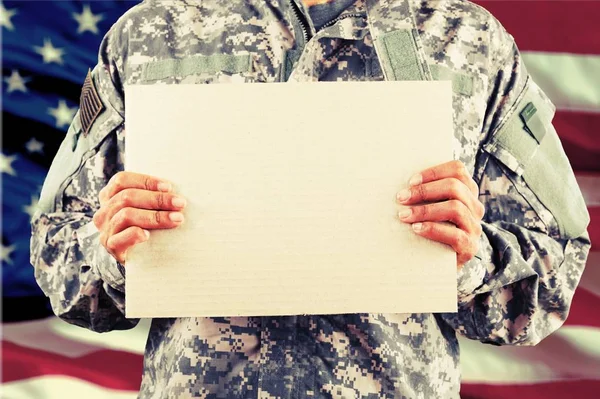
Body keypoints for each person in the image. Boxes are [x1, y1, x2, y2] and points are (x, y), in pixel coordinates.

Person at [30, 0, 591, 397]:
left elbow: (556, 264)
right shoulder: (152, 35)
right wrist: (111, 248)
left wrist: (474, 257)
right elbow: (57, 252)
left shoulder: (469, 42)